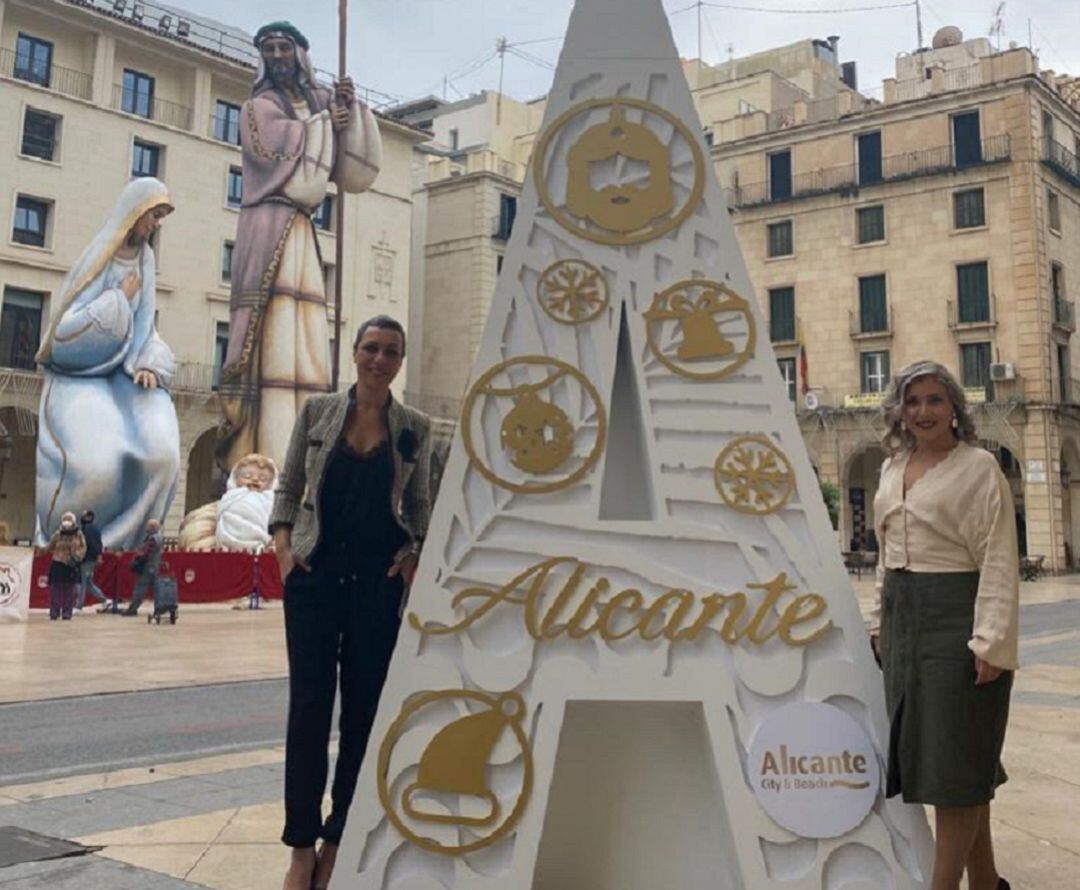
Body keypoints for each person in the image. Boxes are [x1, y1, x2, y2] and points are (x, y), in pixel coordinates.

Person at [270, 316, 436, 890]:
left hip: (376, 587)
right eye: (371, 348)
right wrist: (284, 549)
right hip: (314, 579)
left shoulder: (415, 428)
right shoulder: (318, 413)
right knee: (308, 711)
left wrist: (412, 554)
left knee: (363, 715)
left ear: (400, 361)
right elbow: (289, 485)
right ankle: (300, 848)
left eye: (390, 351)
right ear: (356, 353)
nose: (379, 360)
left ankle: (337, 839)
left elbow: (420, 506)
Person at [870, 360, 1018, 890]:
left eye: (935, 399)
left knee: (954, 768)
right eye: (912, 401)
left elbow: (998, 556)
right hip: (903, 620)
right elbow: (886, 550)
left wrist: (991, 641)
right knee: (950, 761)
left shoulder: (978, 466)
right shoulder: (891, 467)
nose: (923, 411)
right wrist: (879, 623)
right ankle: (987, 883)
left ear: (955, 406)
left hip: (958, 618)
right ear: (899, 411)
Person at [216, 20, 383, 472]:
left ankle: (304, 461)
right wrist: (327, 123)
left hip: (301, 231)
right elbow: (273, 148)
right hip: (267, 224)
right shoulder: (257, 107)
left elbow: (347, 164)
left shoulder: (316, 100)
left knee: (304, 331)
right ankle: (263, 453)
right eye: (269, 48)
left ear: (301, 53)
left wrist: (347, 106)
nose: (276, 56)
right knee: (271, 330)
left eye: (284, 47)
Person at [35, 177, 180, 551]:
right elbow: (66, 328)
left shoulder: (146, 258)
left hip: (127, 369)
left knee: (163, 453)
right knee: (96, 468)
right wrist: (118, 299)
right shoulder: (99, 256)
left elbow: (146, 322)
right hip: (79, 374)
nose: (156, 224)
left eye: (160, 217)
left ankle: (130, 544)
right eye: (154, 215)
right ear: (134, 212)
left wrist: (148, 362)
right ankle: (70, 541)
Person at [46, 512, 86, 621]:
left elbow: (83, 548)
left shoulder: (79, 535)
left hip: (71, 565)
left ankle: (67, 613)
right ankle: (54, 613)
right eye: (65, 519)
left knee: (69, 590)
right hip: (58, 564)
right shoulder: (57, 534)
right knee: (56, 590)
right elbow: (49, 547)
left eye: (69, 520)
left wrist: (77, 556)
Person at [124, 519, 164, 616]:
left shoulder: (152, 539)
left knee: (140, 588)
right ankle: (159, 608)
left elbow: (147, 554)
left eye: (148, 527)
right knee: (156, 589)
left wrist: (137, 558)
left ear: (152, 527)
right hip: (155, 566)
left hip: (147, 567)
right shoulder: (160, 537)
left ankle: (133, 609)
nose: (147, 528)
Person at [75, 510, 106, 612]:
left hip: (87, 558)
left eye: (84, 515)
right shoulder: (94, 528)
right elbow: (99, 544)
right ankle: (104, 599)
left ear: (89, 517)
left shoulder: (88, 529)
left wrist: (83, 556)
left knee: (82, 582)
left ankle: (79, 605)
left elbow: (90, 544)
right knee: (88, 583)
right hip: (90, 558)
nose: (82, 517)